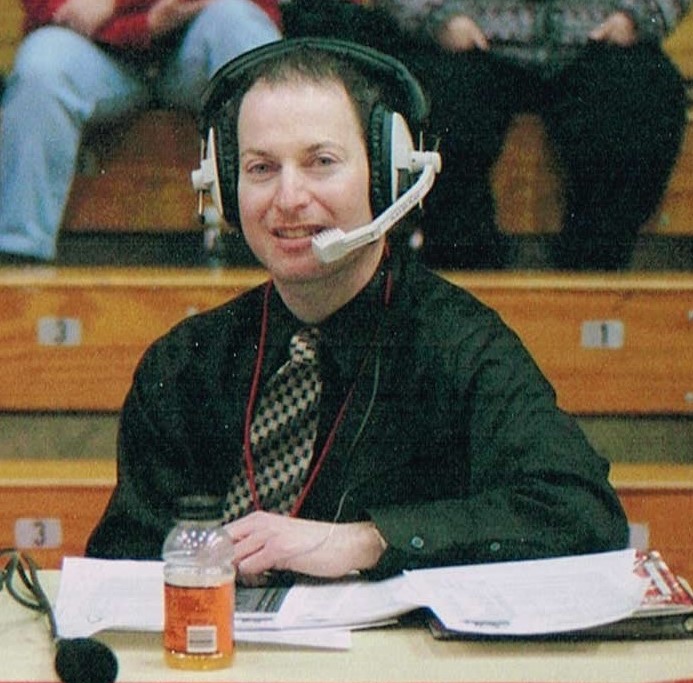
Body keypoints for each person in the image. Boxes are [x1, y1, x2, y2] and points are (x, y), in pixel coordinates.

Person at [87, 37, 629, 581]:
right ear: (223, 185)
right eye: (260, 168)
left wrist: (368, 542)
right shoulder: (183, 363)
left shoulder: (462, 346)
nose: (289, 196)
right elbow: (120, 565)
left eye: (321, 162)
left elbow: (584, 514)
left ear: (387, 174)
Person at [280, 0, 689, 270]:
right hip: (462, 39)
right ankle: (465, 275)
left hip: (606, 39)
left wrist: (640, 16)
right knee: (434, 110)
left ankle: (595, 271)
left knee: (644, 105)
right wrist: (436, 17)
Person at [0, 0, 282, 265]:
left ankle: (279, 249)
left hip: (195, 40)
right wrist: (145, 23)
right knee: (42, 69)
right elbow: (58, 8)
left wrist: (114, 6)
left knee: (241, 28)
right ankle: (20, 264)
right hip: (99, 53)